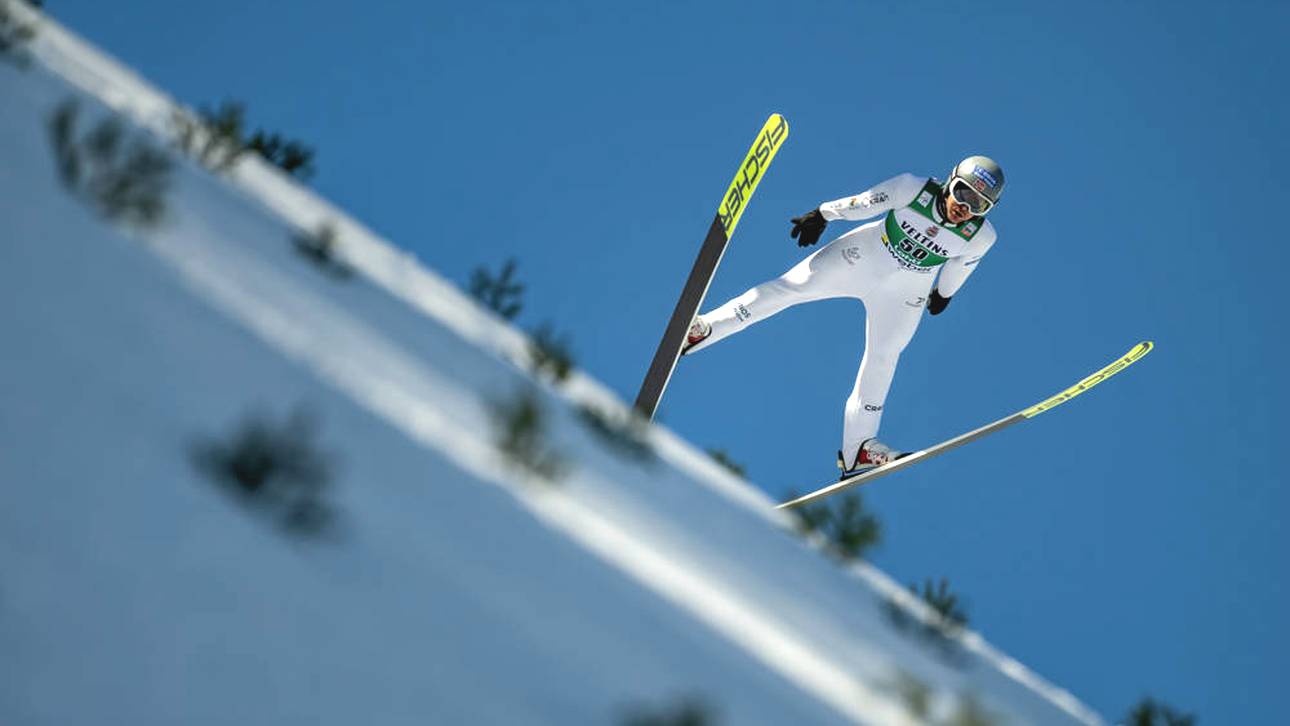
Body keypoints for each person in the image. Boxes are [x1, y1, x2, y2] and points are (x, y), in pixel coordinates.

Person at [681, 155, 1005, 476]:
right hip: (862, 257)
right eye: (963, 193)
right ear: (951, 181)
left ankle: (859, 450)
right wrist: (824, 214)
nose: (966, 207)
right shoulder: (912, 189)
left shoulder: (981, 236)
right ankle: (705, 329)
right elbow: (864, 203)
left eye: (979, 205)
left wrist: (944, 293)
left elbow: (960, 267)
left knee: (884, 357)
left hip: (906, 292)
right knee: (789, 289)